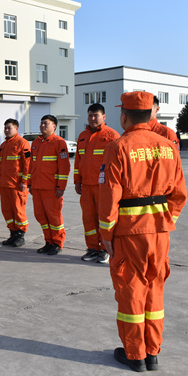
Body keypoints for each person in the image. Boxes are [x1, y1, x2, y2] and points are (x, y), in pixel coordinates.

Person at [99, 91, 187, 372]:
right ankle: (152, 353)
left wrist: (106, 234)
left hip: (129, 233)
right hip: (160, 233)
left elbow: (109, 196)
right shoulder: (168, 146)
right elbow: (179, 194)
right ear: (151, 114)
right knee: (155, 289)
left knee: (131, 291)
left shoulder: (118, 147)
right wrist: (165, 219)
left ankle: (135, 354)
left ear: (124, 116)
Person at [73, 103, 120, 264]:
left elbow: (118, 163)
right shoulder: (82, 136)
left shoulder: (112, 135)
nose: (92, 118)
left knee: (104, 218)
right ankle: (92, 248)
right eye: (90, 115)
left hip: (104, 187)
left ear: (104, 117)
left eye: (96, 115)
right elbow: (78, 161)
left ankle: (105, 249)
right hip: (86, 186)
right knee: (88, 219)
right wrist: (77, 181)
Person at [28, 115, 70, 255]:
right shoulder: (36, 143)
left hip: (51, 188)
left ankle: (57, 243)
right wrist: (30, 184)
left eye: (46, 123)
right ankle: (48, 241)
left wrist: (60, 187)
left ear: (54, 126)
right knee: (41, 216)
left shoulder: (59, 142)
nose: (42, 126)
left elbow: (64, 167)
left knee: (54, 217)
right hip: (37, 187)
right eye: (41, 123)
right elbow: (31, 165)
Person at [0, 118, 30, 247]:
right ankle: (13, 234)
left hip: (17, 185)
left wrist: (25, 181)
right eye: (5, 128)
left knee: (18, 211)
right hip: (5, 184)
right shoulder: (3, 145)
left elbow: (27, 164)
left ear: (16, 129)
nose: (6, 130)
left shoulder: (22, 143)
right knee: (7, 211)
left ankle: (20, 235)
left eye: (9, 128)